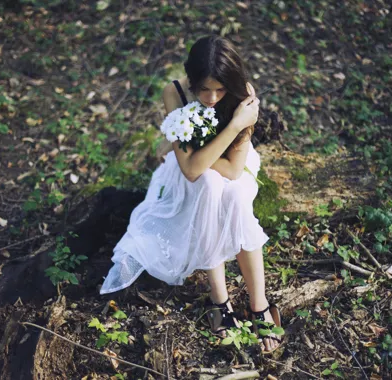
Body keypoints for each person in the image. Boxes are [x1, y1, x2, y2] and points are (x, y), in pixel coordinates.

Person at [100, 35, 281, 353]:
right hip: (192, 172)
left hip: (232, 166)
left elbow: (235, 170)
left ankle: (259, 302)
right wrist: (233, 125)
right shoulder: (175, 92)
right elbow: (191, 170)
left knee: (236, 196)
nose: (212, 98)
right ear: (191, 80)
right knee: (208, 187)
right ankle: (219, 301)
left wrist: (207, 146)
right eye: (204, 89)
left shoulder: (245, 95)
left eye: (221, 89)